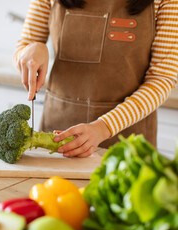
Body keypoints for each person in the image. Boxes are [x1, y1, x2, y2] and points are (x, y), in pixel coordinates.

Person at [14, 0, 178, 157]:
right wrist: (32, 49)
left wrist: (104, 126)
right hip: (58, 131)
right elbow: (23, 48)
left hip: (128, 140)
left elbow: (162, 78)